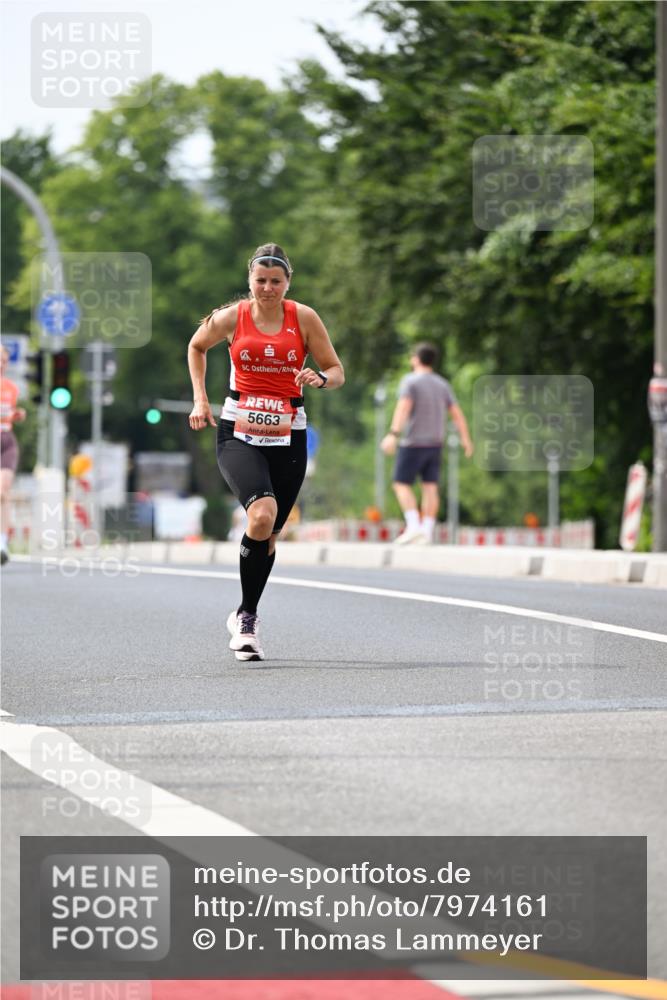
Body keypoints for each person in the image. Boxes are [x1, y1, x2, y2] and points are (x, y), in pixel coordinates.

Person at [188, 243, 344, 660]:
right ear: (250, 281)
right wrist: (200, 400)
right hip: (238, 430)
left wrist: (321, 379)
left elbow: (336, 370)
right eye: (260, 281)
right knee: (261, 514)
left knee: (269, 535)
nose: (268, 288)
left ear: (288, 282)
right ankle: (247, 623)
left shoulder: (304, 318)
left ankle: (245, 610)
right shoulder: (233, 317)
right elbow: (197, 346)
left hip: (289, 433)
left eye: (276, 281)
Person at [380, 342, 473, 544]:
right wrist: (466, 439)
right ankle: (427, 531)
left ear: (416, 359)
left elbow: (403, 407)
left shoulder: (410, 381)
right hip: (435, 443)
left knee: (401, 484)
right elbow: (456, 414)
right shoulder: (442, 384)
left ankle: (413, 526)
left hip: (413, 442)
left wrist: (393, 434)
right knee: (430, 487)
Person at [0, 346, 27, 565]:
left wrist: (17, 415)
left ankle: (2, 542)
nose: (1, 364)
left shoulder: (11, 387)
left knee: (3, 490)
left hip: (6, 440)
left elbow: (8, 415)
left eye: (4, 360)